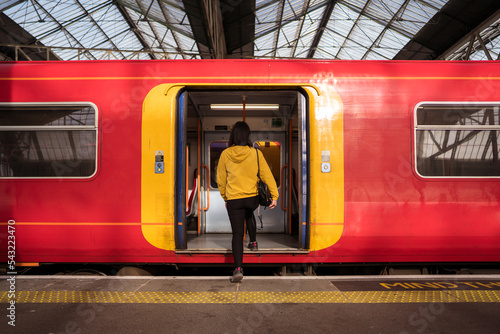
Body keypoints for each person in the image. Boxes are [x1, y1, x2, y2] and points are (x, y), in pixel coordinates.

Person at [217, 121, 279, 283]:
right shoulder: (256, 153)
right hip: (252, 199)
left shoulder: (225, 154)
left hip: (234, 200)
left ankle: (238, 268)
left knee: (237, 234)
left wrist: (226, 197)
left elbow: (221, 180)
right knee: (249, 213)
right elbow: (267, 175)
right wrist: (275, 195)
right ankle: (253, 242)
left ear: (233, 136)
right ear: (247, 136)